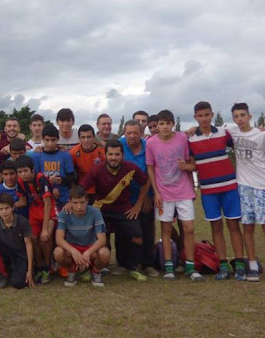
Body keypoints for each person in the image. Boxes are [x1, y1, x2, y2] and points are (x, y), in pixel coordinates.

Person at [188, 101, 245, 280]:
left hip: (229, 186)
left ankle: (240, 264)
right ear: (195, 117)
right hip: (208, 190)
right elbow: (192, 164)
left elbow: (244, 139)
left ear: (212, 115)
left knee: (234, 225)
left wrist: (260, 130)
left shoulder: (223, 132)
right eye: (200, 116)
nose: (204, 119)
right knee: (216, 227)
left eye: (207, 115)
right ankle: (222, 265)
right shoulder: (190, 139)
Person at [79, 140, 149, 281]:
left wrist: (138, 204)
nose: (113, 157)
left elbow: (145, 182)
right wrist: (74, 203)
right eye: (110, 154)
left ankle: (133, 267)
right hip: (101, 209)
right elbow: (82, 188)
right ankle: (92, 267)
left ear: (122, 155)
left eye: (117, 154)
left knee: (137, 235)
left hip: (124, 209)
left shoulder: (130, 167)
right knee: (99, 238)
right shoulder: (97, 170)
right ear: (105, 155)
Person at [228, 103, 265, 283]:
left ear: (249, 116)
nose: (240, 118)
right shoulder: (232, 132)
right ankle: (252, 266)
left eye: (243, 115)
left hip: (263, 186)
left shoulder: (263, 135)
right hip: (243, 186)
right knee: (248, 227)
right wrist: (194, 127)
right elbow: (210, 128)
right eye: (236, 116)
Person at [146, 110, 202, 282]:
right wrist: (156, 192)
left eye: (167, 123)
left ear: (173, 124)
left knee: (189, 228)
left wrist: (186, 166)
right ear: (157, 125)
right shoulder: (151, 143)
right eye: (161, 124)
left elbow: (192, 163)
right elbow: (150, 167)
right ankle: (169, 266)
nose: (164, 127)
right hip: (163, 193)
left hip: (183, 191)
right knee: (166, 230)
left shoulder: (182, 138)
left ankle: (190, 266)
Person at [120, 120, 157, 276]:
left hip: (145, 195)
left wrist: (148, 197)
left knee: (146, 229)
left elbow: (151, 172)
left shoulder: (148, 146)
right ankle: (123, 264)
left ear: (141, 133)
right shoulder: (119, 144)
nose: (132, 136)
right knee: (123, 230)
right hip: (124, 196)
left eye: (135, 132)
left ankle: (147, 264)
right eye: (129, 133)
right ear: (124, 133)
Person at [54, 186, 110, 287]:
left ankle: (95, 271)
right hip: (73, 247)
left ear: (87, 201)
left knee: (105, 254)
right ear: (69, 202)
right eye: (75, 203)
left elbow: (102, 240)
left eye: (82, 202)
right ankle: (72, 269)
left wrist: (88, 252)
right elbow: (59, 239)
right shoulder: (64, 213)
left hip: (90, 247)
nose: (79, 206)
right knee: (58, 253)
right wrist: (73, 251)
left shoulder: (95, 212)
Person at [15, 155, 55, 284]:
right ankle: (39, 267)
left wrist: (44, 229)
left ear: (32, 170)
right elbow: (22, 201)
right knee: (32, 238)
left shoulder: (41, 179)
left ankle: (47, 268)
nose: (23, 174)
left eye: (25, 171)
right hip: (34, 212)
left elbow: (48, 204)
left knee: (46, 237)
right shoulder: (20, 182)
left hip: (48, 211)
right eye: (20, 172)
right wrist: (7, 207)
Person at [0, 193, 34, 289]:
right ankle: (2, 274)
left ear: (12, 208)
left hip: (20, 256)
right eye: (1, 209)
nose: (4, 212)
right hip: (6, 255)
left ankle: (20, 271)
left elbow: (29, 245)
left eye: (6, 208)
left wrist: (29, 270)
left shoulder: (23, 222)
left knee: (18, 284)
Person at [32, 125, 75, 212]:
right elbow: (34, 178)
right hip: (44, 197)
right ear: (43, 139)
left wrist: (61, 180)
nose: (50, 143)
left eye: (53, 140)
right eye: (47, 140)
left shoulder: (65, 155)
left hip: (63, 197)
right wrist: (48, 184)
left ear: (58, 139)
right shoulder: (37, 155)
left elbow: (72, 177)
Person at [68, 124, 105, 203]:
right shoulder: (73, 152)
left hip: (101, 190)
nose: (86, 140)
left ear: (93, 137)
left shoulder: (102, 152)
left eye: (89, 137)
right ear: (79, 138)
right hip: (82, 190)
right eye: (83, 137)